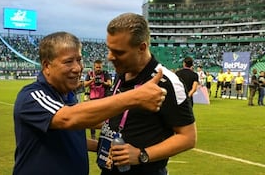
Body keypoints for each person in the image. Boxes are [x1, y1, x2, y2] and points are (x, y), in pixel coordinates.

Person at [12, 31, 167, 175]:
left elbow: (69, 136)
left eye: (79, 60)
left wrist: (104, 146)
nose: (77, 68)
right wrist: (134, 97)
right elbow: (68, 118)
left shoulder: (68, 95)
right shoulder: (32, 96)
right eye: (68, 62)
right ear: (47, 66)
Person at [98, 13, 196, 175]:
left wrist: (142, 154)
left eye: (119, 52)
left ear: (142, 48)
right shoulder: (122, 72)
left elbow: (188, 137)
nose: (110, 57)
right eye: (109, 49)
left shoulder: (167, 82)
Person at [84, 59, 112, 140]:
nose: (99, 69)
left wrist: (102, 82)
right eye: (97, 67)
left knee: (105, 118)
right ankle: (93, 135)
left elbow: (110, 83)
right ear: (94, 67)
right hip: (92, 100)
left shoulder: (105, 74)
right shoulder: (90, 74)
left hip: (103, 99)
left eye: (100, 67)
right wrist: (92, 80)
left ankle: (103, 135)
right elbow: (85, 84)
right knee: (92, 118)